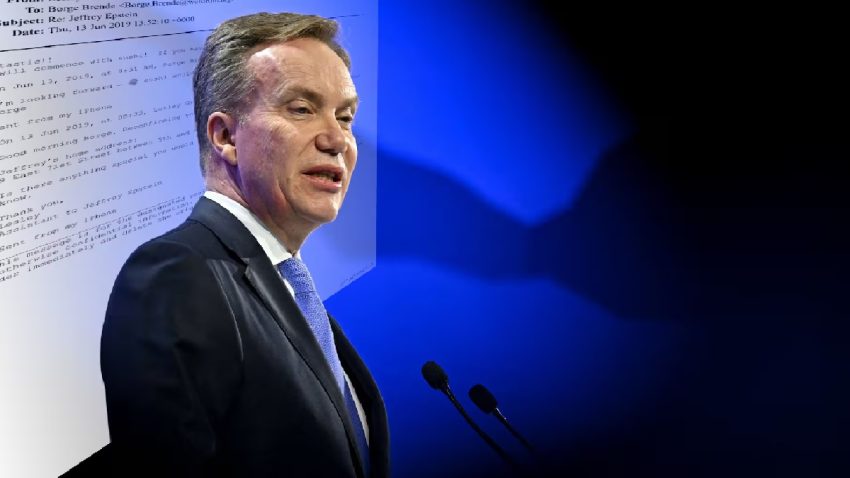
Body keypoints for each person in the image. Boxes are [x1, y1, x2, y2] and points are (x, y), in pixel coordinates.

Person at [99, 12, 389, 477]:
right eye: (301, 109)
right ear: (225, 136)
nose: (337, 139)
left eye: (345, 116)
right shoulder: (176, 276)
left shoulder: (283, 278)